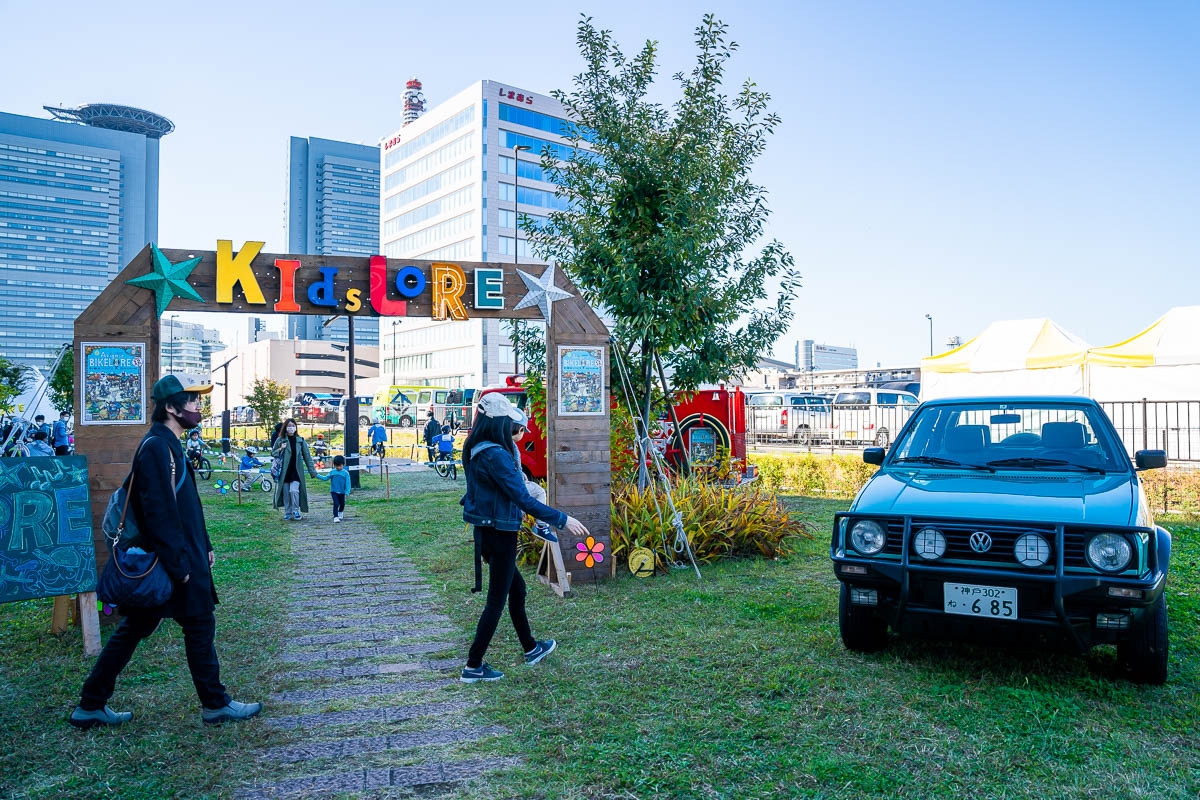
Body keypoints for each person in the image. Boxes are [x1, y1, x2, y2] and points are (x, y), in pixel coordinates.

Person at [70, 375, 261, 729]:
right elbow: (159, 512)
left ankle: (91, 703)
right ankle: (215, 704)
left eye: (199, 402)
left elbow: (187, 506)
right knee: (197, 624)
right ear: (171, 408)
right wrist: (182, 566)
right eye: (192, 402)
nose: (199, 409)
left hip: (181, 557)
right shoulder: (157, 447)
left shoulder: (169, 444)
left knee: (140, 628)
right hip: (171, 563)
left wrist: (205, 546)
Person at [459, 392, 590, 684]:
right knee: (496, 602)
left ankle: (531, 648)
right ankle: (473, 665)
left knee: (517, 591)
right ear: (498, 423)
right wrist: (562, 520)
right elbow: (522, 498)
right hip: (500, 534)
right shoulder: (496, 455)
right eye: (507, 421)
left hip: (488, 532)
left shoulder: (475, 447)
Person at [271, 418, 319, 521]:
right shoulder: (280, 439)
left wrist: (313, 471)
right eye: (289, 426)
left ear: (296, 427)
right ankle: (288, 513)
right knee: (286, 493)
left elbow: (307, 457)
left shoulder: (300, 441)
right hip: (284, 472)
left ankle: (296, 511)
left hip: (296, 471)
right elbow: (273, 452)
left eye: (293, 426)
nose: (291, 428)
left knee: (294, 491)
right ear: (285, 427)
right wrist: (280, 449)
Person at [317, 455, 351, 522]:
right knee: (336, 503)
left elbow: (348, 483)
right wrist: (317, 475)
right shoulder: (332, 472)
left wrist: (347, 492)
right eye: (337, 466)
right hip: (334, 491)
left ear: (343, 465)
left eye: (340, 466)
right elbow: (325, 478)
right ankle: (335, 516)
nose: (338, 467)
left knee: (342, 504)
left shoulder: (345, 473)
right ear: (334, 465)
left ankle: (340, 513)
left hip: (342, 492)